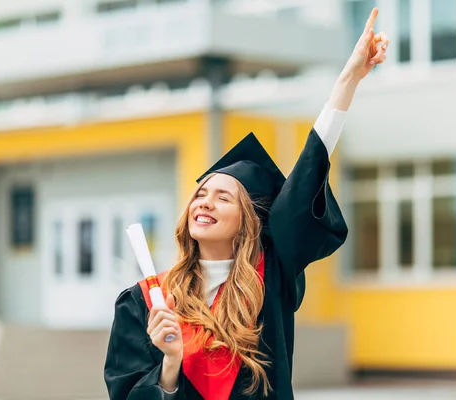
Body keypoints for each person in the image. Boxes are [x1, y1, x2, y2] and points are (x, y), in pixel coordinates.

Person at [104, 8, 389, 400]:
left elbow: (304, 184)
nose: (204, 203)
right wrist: (169, 363)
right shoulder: (146, 301)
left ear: (249, 221)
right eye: (200, 195)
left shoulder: (269, 279)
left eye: (223, 197)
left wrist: (348, 79)